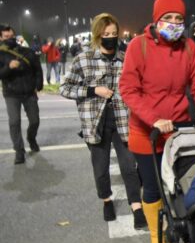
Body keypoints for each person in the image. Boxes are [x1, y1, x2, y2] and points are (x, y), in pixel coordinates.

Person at [119, 0, 195, 243]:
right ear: (156, 20)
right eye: (168, 17)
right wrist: (154, 119)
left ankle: (181, 228)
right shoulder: (139, 46)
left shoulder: (188, 47)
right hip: (147, 131)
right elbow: (128, 89)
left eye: (179, 18)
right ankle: (155, 236)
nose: (173, 22)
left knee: (181, 184)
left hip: (178, 131)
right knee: (152, 187)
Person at [60, 13, 147, 229]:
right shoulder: (84, 59)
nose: (111, 38)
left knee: (129, 167)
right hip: (95, 124)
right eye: (106, 34)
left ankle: (136, 206)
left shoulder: (126, 57)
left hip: (123, 122)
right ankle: (106, 200)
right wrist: (93, 90)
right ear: (98, 35)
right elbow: (65, 88)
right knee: (100, 169)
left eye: (114, 34)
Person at [0, 24, 43, 164]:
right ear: (0, 37)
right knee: (14, 122)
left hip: (29, 92)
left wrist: (38, 85)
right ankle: (19, 151)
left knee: (35, 120)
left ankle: (31, 138)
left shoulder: (26, 51)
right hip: (11, 93)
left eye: (11, 36)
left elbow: (37, 69)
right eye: (6, 37)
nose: (10, 39)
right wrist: (8, 67)